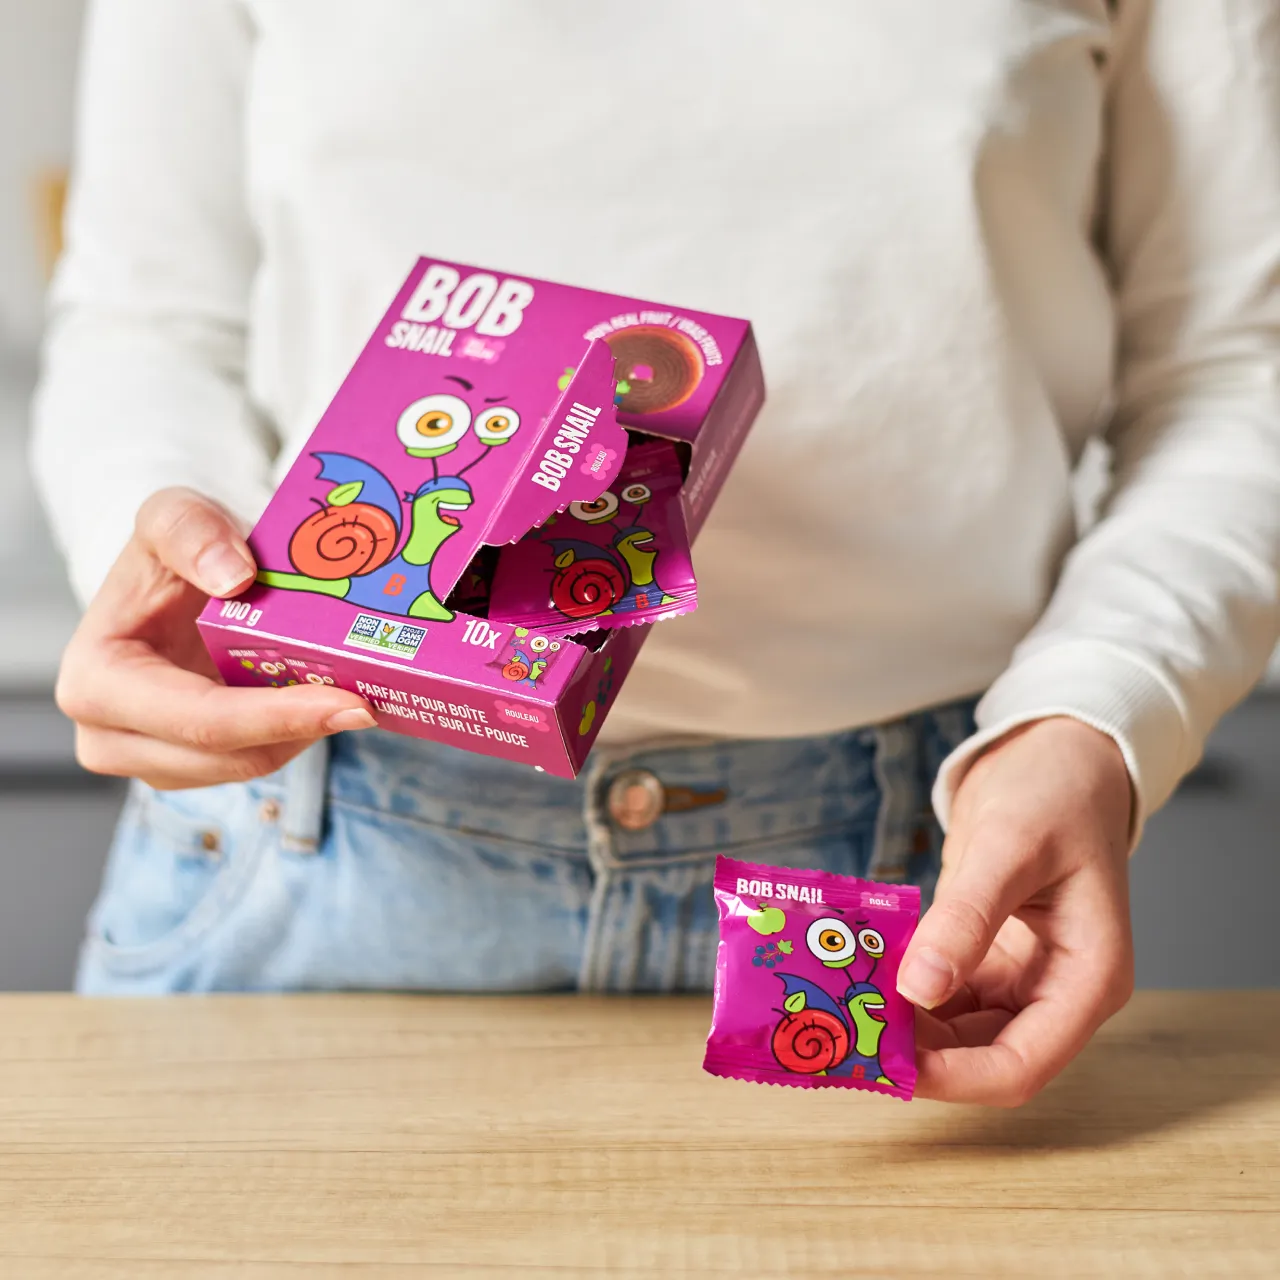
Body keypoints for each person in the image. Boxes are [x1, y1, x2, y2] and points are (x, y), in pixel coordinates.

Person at [31, 1, 1280, 1107]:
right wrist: (160, 556)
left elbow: (1234, 368)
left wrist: (1089, 715)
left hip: (919, 857)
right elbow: (150, 315)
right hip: (311, 823)